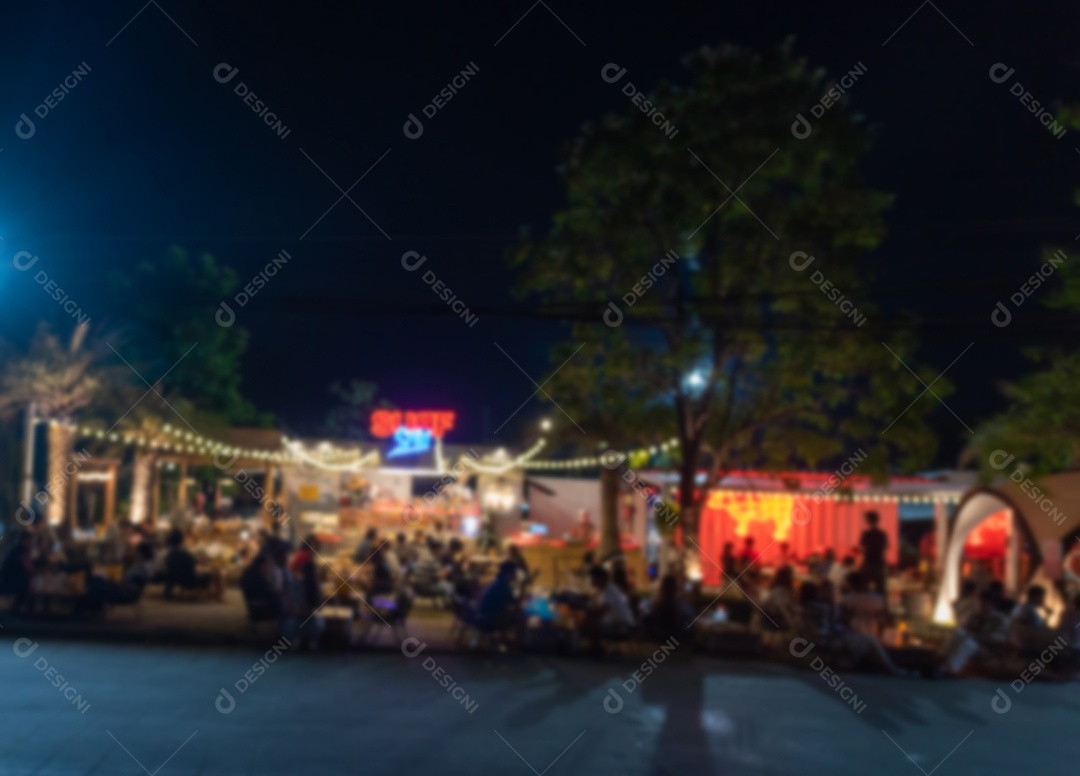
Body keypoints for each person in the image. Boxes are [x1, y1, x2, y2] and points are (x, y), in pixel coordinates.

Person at [582, 566, 635, 653]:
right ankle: (595, 646)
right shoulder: (605, 590)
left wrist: (585, 609)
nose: (591, 581)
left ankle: (596, 647)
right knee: (590, 618)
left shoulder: (609, 591)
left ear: (600, 579)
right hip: (616, 623)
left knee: (592, 620)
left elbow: (600, 612)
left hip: (621, 626)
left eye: (592, 579)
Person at [163, 528, 222, 600]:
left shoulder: (170, 553)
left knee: (210, 570)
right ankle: (215, 595)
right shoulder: (184, 554)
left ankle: (211, 593)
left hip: (175, 578)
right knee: (212, 573)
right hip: (189, 579)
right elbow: (192, 568)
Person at [642, 574, 693, 643]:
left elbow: (649, 616)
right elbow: (690, 614)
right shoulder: (676, 602)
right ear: (675, 586)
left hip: (659, 633)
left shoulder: (658, 600)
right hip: (673, 634)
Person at [1009, 585, 1056, 653]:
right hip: (1027, 644)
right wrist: (1048, 615)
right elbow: (1041, 629)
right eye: (1041, 597)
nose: (1043, 600)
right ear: (1035, 597)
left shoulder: (1021, 607)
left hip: (1016, 641)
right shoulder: (1028, 610)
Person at [0, 532, 34, 612]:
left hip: (10, 580)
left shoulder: (19, 551)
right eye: (28, 541)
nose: (29, 543)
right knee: (27, 580)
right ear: (23, 541)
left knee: (28, 579)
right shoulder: (17, 552)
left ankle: (19, 606)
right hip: (8, 582)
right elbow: (26, 568)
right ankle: (19, 606)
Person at [859, 511, 888, 596]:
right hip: (879, 563)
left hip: (868, 563)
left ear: (868, 520)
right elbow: (885, 547)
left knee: (864, 590)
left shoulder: (866, 534)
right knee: (881, 590)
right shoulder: (882, 534)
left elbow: (863, 549)